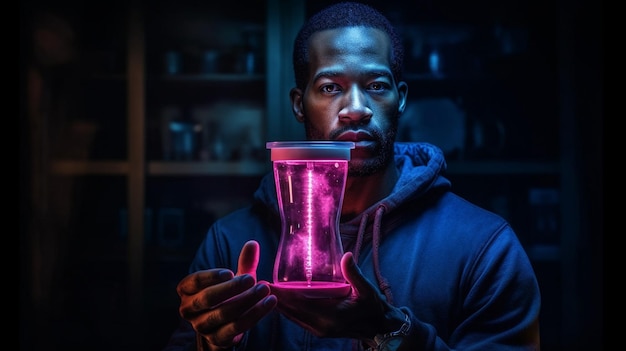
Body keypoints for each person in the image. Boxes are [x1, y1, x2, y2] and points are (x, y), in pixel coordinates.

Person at [163, 2, 541, 350]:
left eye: (376, 86)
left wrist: (390, 331)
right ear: (299, 104)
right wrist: (211, 344)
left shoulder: (483, 247)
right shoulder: (231, 244)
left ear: (401, 98)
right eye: (331, 88)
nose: (356, 109)